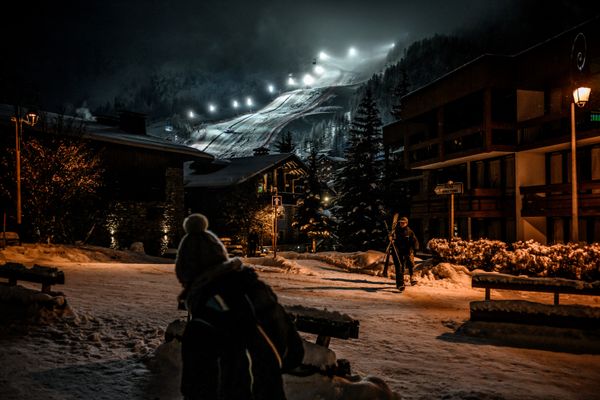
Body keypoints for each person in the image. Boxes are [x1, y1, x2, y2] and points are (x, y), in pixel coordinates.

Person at [175, 213, 304, 400]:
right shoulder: (254, 288)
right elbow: (293, 352)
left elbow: (197, 387)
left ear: (186, 270)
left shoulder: (206, 315)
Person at [391, 216, 419, 292]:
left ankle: (412, 277)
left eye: (403, 223)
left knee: (410, 263)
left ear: (406, 223)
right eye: (400, 223)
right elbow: (391, 239)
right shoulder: (395, 231)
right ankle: (400, 284)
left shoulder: (409, 232)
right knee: (399, 266)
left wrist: (415, 248)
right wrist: (390, 239)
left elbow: (415, 241)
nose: (401, 224)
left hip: (407, 250)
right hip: (398, 251)